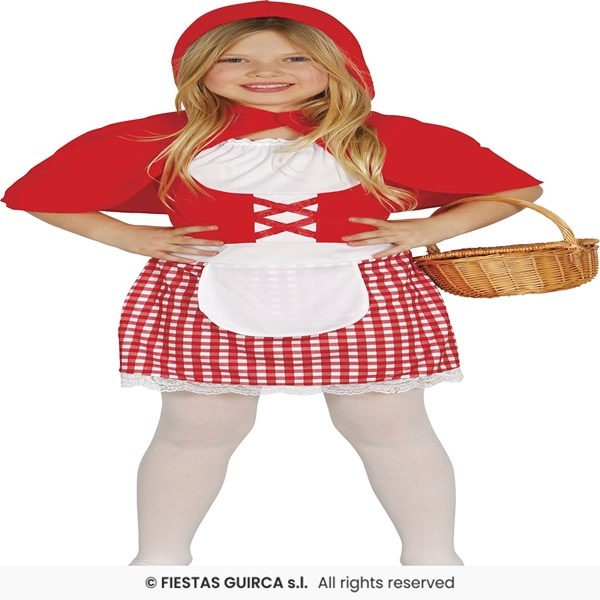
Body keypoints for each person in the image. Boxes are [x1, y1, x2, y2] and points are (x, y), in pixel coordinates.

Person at [1, 1, 543, 566]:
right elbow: (40, 193)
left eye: (295, 57)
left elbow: (516, 189)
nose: (264, 71)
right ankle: (158, 561)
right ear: (197, 67)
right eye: (235, 58)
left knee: (389, 426)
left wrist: (432, 228)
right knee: (195, 429)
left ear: (340, 65)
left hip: (365, 291)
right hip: (208, 292)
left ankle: (433, 561)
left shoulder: (380, 137)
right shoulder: (162, 138)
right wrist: (127, 237)